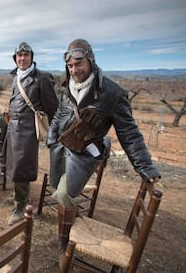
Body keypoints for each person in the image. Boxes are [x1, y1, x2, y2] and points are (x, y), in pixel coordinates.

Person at [46, 38, 161, 266]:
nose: (74, 70)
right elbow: (60, 114)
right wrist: (51, 138)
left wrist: (145, 166)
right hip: (61, 148)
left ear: (91, 60)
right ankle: (65, 231)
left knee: (64, 194)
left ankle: (64, 242)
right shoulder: (65, 87)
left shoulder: (112, 93)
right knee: (59, 189)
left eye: (78, 64)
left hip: (85, 154)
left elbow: (129, 133)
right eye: (70, 66)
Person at [3, 42, 59, 225]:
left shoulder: (42, 78)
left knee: (22, 168)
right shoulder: (16, 76)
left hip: (27, 132)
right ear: (15, 58)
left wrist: (54, 131)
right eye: (19, 55)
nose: (22, 58)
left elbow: (53, 107)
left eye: (26, 55)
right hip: (13, 128)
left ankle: (21, 207)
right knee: (12, 165)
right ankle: (16, 197)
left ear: (32, 57)